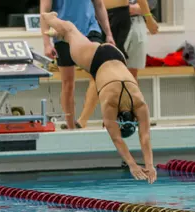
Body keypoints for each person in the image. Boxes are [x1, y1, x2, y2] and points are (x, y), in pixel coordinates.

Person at [41, 12, 156, 184]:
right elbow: (117, 139)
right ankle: (47, 17)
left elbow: (145, 137)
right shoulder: (110, 104)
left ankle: (59, 34)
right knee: (71, 30)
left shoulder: (139, 103)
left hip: (117, 56)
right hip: (95, 60)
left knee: (71, 35)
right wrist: (132, 165)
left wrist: (150, 165)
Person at [77, 0, 159, 128]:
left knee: (125, 74)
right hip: (100, 17)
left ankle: (133, 115)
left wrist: (148, 18)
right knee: (99, 72)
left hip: (119, 17)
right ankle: (85, 119)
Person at [40, 0, 114, 130]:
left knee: (101, 74)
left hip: (90, 31)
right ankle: (70, 127)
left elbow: (99, 5)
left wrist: (108, 34)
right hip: (63, 34)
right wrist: (46, 43)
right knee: (68, 83)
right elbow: (44, 12)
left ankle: (96, 119)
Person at [126, 0, 159, 79]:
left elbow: (150, 3)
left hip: (137, 20)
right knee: (112, 69)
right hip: (112, 19)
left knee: (132, 73)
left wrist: (149, 18)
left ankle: (132, 90)